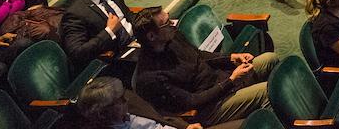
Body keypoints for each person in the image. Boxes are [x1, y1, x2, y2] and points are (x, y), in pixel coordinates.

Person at [132, 5, 278, 124]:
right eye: (167, 23)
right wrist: (231, 81)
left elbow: (199, 55)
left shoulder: (172, 37)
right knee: (266, 93)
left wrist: (231, 58)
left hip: (220, 79)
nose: (173, 24)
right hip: (209, 107)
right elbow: (192, 101)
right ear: (152, 36)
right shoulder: (151, 77)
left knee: (270, 59)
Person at [75, 75, 244, 129]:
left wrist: (186, 126)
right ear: (104, 112)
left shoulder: (129, 101)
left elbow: (160, 117)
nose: (125, 99)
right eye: (119, 100)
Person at [61, 0, 135, 66]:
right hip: (117, 56)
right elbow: (77, 52)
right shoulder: (75, 13)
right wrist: (109, 31)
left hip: (137, 40)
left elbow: (128, 14)